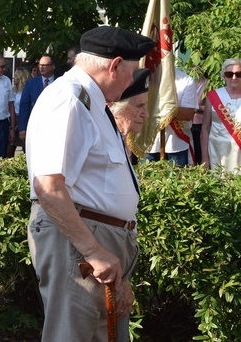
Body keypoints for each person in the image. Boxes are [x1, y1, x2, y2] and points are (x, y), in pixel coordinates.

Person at [27, 26, 154, 341]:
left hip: (94, 241)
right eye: (131, 72)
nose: (131, 82)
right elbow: (48, 187)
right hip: (80, 242)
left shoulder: (90, 103)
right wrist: (93, 250)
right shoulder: (67, 99)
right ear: (113, 66)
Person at [146, 68, 198, 165]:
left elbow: (188, 114)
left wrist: (168, 106)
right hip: (148, 144)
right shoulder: (143, 77)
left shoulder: (186, 81)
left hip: (176, 144)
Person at [201, 58, 241, 172]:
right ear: (224, 76)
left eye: (239, 74)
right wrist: (205, 157)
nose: (234, 78)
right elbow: (205, 128)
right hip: (218, 153)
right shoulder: (213, 96)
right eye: (229, 74)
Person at [18, 54, 56, 144]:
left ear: (53, 66)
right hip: (35, 125)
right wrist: (22, 128)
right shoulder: (31, 83)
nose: (41, 67)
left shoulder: (60, 82)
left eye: (45, 65)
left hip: (54, 125)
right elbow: (24, 106)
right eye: (40, 65)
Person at [109, 69, 151, 141]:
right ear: (113, 106)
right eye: (139, 106)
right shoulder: (102, 141)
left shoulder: (119, 140)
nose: (146, 114)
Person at [7, 67, 30, 157]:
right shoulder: (14, 91)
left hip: (22, 119)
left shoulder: (26, 91)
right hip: (13, 118)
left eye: (16, 76)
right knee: (10, 147)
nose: (14, 78)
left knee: (25, 147)